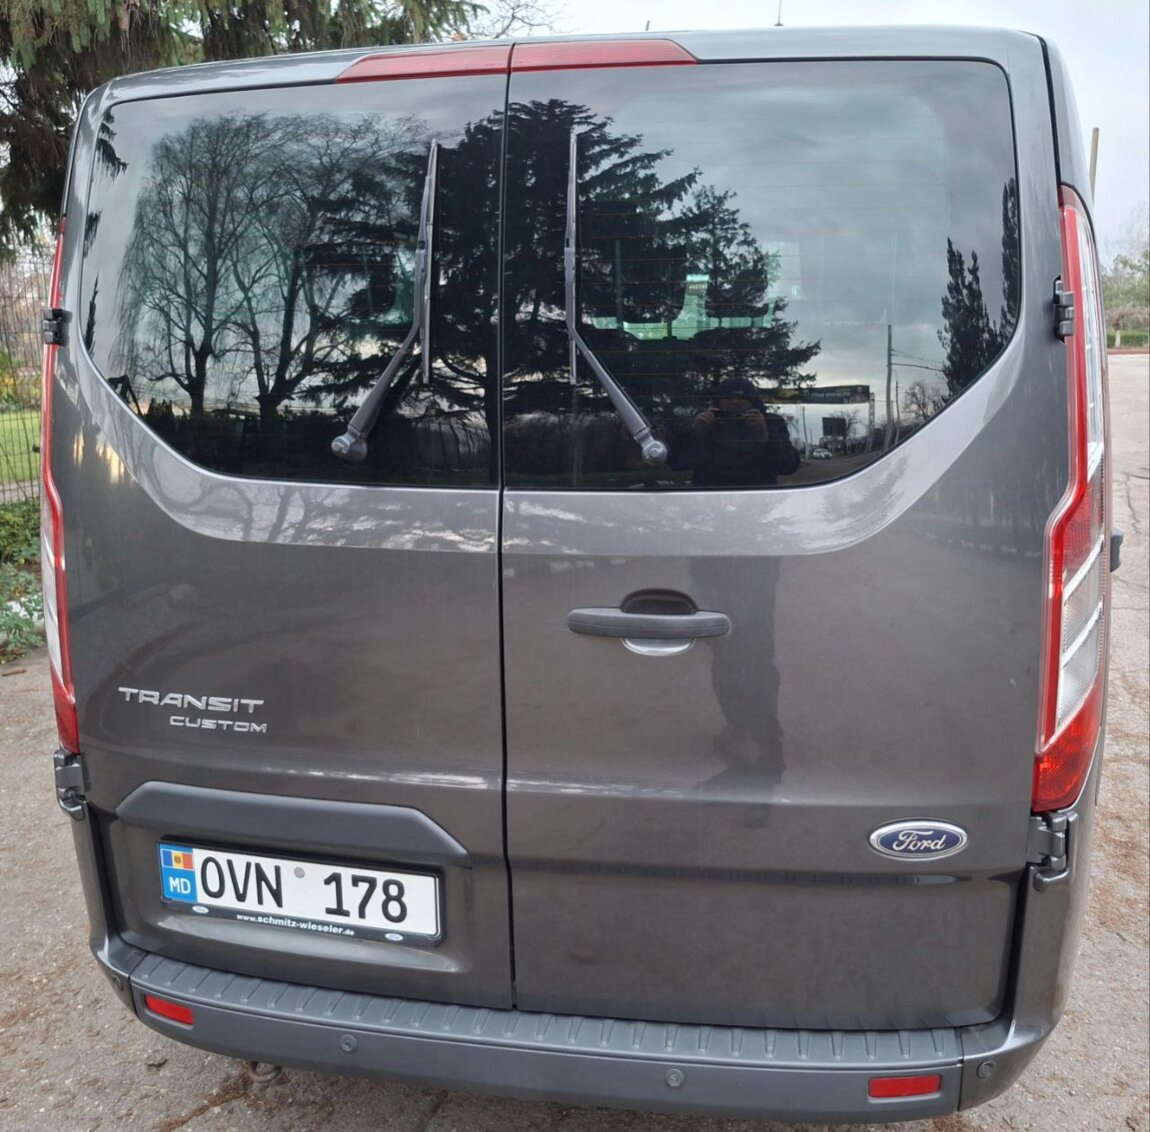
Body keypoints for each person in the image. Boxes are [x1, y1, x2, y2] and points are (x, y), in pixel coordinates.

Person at [690, 375, 800, 487]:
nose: (735, 401)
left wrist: (766, 438)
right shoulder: (704, 421)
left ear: (752, 401)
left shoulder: (771, 422)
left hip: (758, 493)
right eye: (729, 397)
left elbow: (789, 466)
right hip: (709, 493)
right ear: (719, 400)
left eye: (742, 397)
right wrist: (694, 432)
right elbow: (681, 463)